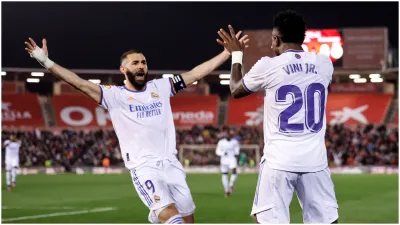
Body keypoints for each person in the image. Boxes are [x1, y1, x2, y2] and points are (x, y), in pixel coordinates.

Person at [24, 32, 249, 224]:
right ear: (123, 69)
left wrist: (227, 54)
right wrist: (46, 62)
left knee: (188, 218)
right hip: (144, 168)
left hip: (172, 164)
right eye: (135, 63)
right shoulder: (114, 95)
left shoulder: (161, 87)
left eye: (143, 62)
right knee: (172, 218)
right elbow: (78, 82)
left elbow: (195, 74)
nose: (141, 66)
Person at [217, 9, 339, 224]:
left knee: (268, 219)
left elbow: (236, 89)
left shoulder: (268, 65)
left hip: (279, 161)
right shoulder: (324, 64)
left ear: (276, 39)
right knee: (327, 220)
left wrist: (237, 55)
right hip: (315, 161)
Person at [215, 131, 240, 198]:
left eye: (229, 135)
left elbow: (237, 149)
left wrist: (236, 154)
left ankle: (231, 185)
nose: (228, 136)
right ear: (225, 136)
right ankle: (227, 191)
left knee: (234, 171)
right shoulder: (221, 142)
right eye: (227, 135)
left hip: (232, 159)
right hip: (224, 160)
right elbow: (217, 151)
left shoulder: (235, 142)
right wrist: (223, 153)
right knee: (224, 174)